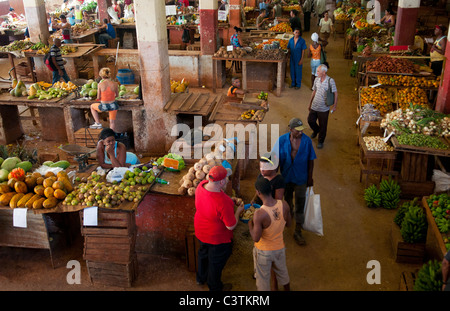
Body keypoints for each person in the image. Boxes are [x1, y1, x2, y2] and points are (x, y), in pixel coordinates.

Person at [194, 165, 245, 291]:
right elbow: (231, 226)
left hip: (201, 231)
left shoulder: (201, 186)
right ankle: (214, 286)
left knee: (203, 254)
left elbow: (214, 199)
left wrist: (230, 200)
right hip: (217, 238)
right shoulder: (222, 202)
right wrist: (238, 211)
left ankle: (200, 278)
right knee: (215, 262)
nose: (227, 181)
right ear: (221, 182)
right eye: (226, 179)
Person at [273, 118, 316, 245]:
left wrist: (310, 177)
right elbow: (276, 158)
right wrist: (274, 175)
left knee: (300, 203)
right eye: (297, 130)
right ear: (290, 129)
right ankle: (288, 215)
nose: (300, 132)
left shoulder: (307, 141)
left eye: (301, 130)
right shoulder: (282, 140)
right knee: (286, 199)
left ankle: (298, 230)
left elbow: (311, 160)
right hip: (286, 176)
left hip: (301, 177)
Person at [248, 177, 292, 291]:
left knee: (263, 279)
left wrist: (250, 224)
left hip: (264, 251)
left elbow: (256, 238)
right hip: (279, 248)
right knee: (283, 273)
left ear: (258, 192)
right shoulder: (284, 204)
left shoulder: (259, 214)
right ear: (271, 188)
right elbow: (289, 224)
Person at [307, 64, 337, 149]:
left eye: (318, 71)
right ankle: (316, 130)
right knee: (310, 120)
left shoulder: (330, 81)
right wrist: (310, 103)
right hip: (314, 106)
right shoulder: (316, 79)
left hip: (324, 108)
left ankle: (320, 141)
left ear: (324, 72)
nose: (316, 73)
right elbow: (314, 91)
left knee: (323, 125)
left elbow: (335, 93)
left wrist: (334, 106)